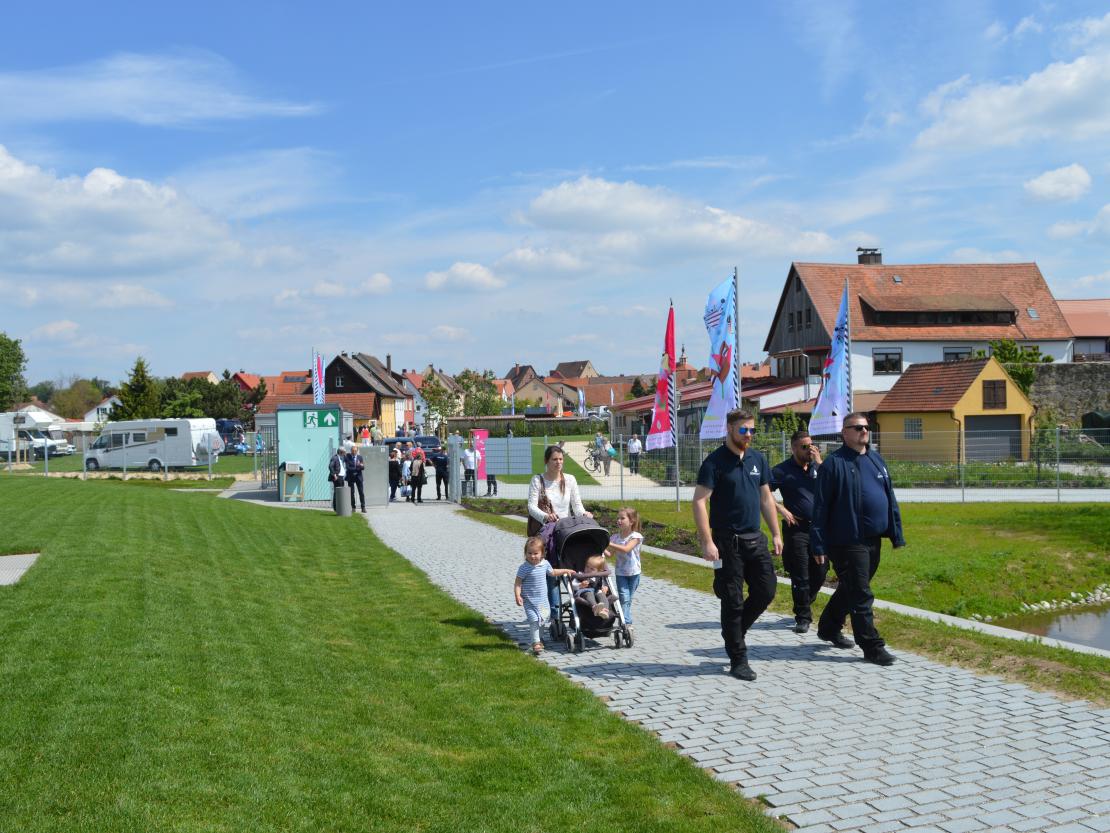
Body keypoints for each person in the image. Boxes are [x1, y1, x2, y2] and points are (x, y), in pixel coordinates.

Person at [692, 409, 783, 682]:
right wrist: (707, 541)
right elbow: (699, 501)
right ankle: (738, 658)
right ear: (730, 429)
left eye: (752, 430)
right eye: (744, 430)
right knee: (732, 600)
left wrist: (776, 534)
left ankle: (734, 630)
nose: (749, 435)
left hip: (755, 539)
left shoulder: (758, 459)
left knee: (766, 590)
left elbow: (766, 499)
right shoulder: (714, 462)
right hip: (726, 542)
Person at [812, 412, 905, 666]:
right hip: (846, 540)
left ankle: (829, 627)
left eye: (866, 427)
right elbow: (820, 508)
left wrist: (896, 533)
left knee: (852, 587)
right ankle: (871, 645)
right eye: (857, 427)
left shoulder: (876, 461)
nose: (864, 431)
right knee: (861, 593)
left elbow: (890, 498)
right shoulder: (834, 464)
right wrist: (818, 543)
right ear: (845, 433)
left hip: (873, 539)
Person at [770, 430, 827, 634]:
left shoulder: (819, 468)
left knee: (820, 572)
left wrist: (819, 462)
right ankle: (803, 617)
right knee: (801, 574)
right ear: (793, 448)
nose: (809, 450)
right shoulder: (782, 471)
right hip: (797, 529)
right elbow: (763, 491)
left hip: (820, 529)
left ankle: (804, 602)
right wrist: (781, 509)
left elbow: (834, 484)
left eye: (811, 445)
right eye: (804, 447)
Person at [527, 445, 592, 616]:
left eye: (561, 459)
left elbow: (577, 506)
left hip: (567, 529)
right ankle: (555, 614)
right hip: (548, 530)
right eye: (554, 459)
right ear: (547, 461)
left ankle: (583, 602)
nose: (558, 463)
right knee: (552, 572)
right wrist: (545, 516)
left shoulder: (569, 479)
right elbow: (531, 506)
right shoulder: (537, 480)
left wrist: (584, 514)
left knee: (575, 564)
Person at [515, 536, 576, 655]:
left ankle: (539, 638)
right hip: (530, 601)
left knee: (542, 620)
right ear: (525, 553)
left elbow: (553, 573)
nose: (532, 556)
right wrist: (518, 595)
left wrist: (565, 570)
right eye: (529, 553)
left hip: (543, 601)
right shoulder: (524, 568)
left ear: (542, 554)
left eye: (536, 553)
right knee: (534, 620)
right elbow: (518, 583)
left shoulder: (545, 564)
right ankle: (536, 642)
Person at [606, 507, 643, 629]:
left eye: (622, 518)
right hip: (621, 573)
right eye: (618, 518)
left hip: (634, 573)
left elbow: (626, 549)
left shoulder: (635, 536)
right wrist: (601, 546)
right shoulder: (615, 537)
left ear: (631, 521)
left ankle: (623, 617)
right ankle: (626, 622)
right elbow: (610, 554)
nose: (619, 521)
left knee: (627, 599)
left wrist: (609, 543)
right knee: (624, 597)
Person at [572, 554, 613, 620]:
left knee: (602, 595)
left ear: (599, 571)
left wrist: (604, 587)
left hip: (596, 590)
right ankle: (594, 607)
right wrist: (580, 585)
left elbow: (602, 584)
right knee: (589, 593)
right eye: (587, 566)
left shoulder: (599, 577)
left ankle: (604, 610)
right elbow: (573, 585)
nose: (588, 569)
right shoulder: (580, 574)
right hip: (584, 591)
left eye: (592, 569)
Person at [345, 443, 366, 513]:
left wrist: (359, 466)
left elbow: (363, 467)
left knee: (361, 492)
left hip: (358, 477)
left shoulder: (360, 457)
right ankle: (353, 507)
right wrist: (357, 468)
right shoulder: (347, 457)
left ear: (357, 451)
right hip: (351, 477)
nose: (354, 452)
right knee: (351, 492)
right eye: (353, 451)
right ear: (351, 451)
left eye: (355, 451)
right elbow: (348, 467)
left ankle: (363, 507)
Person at [328, 445, 347, 511]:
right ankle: (336, 507)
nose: (345, 453)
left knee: (340, 492)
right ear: (341, 452)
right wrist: (334, 475)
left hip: (341, 477)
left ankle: (340, 506)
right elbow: (330, 466)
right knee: (337, 492)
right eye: (344, 452)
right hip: (337, 477)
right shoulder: (334, 458)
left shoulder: (341, 458)